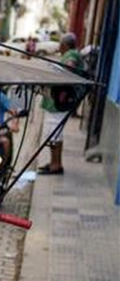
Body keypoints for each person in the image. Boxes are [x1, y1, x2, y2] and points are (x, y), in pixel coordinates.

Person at [38, 32, 84, 175]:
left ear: (64, 44)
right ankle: (54, 163)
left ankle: (56, 165)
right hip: (56, 101)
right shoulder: (70, 54)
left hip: (59, 102)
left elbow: (70, 67)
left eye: (60, 44)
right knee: (53, 135)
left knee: (55, 134)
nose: (59, 46)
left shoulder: (71, 55)